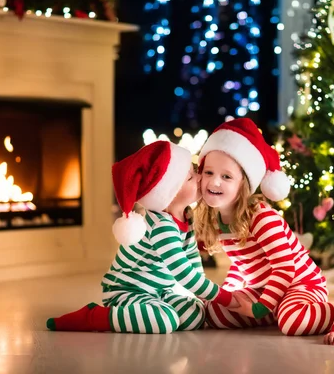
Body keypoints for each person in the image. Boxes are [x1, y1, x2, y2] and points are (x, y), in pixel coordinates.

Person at [47, 141, 236, 334]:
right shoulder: (162, 225)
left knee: (195, 313)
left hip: (160, 291)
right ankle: (94, 317)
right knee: (165, 321)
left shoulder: (186, 216)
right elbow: (182, 271)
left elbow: (192, 259)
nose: (199, 178)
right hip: (129, 290)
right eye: (190, 177)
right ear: (169, 194)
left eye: (195, 171)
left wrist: (203, 298)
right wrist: (222, 297)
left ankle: (150, 311)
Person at [195, 118, 334, 336]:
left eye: (226, 176)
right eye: (208, 172)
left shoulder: (262, 217)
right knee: (217, 313)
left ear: (244, 184)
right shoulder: (218, 221)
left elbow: (285, 268)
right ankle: (277, 311)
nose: (214, 182)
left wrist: (259, 307)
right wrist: (228, 296)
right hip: (264, 289)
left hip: (300, 284)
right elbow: (241, 265)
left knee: (293, 322)